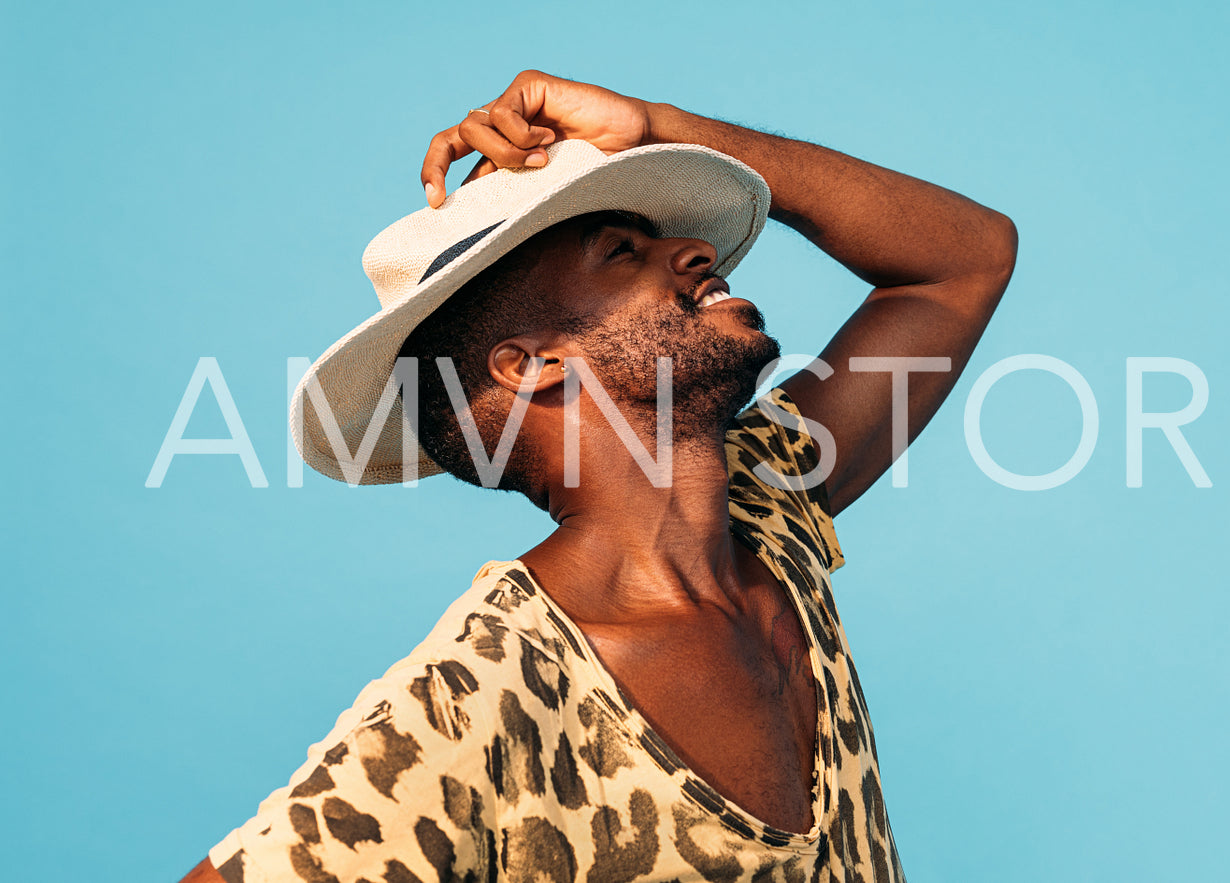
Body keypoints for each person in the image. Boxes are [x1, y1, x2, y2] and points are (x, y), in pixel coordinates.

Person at [180, 70, 1016, 883]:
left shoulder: (768, 510)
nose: (694, 248)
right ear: (531, 364)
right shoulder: (484, 691)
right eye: (622, 252)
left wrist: (654, 127)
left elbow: (964, 258)